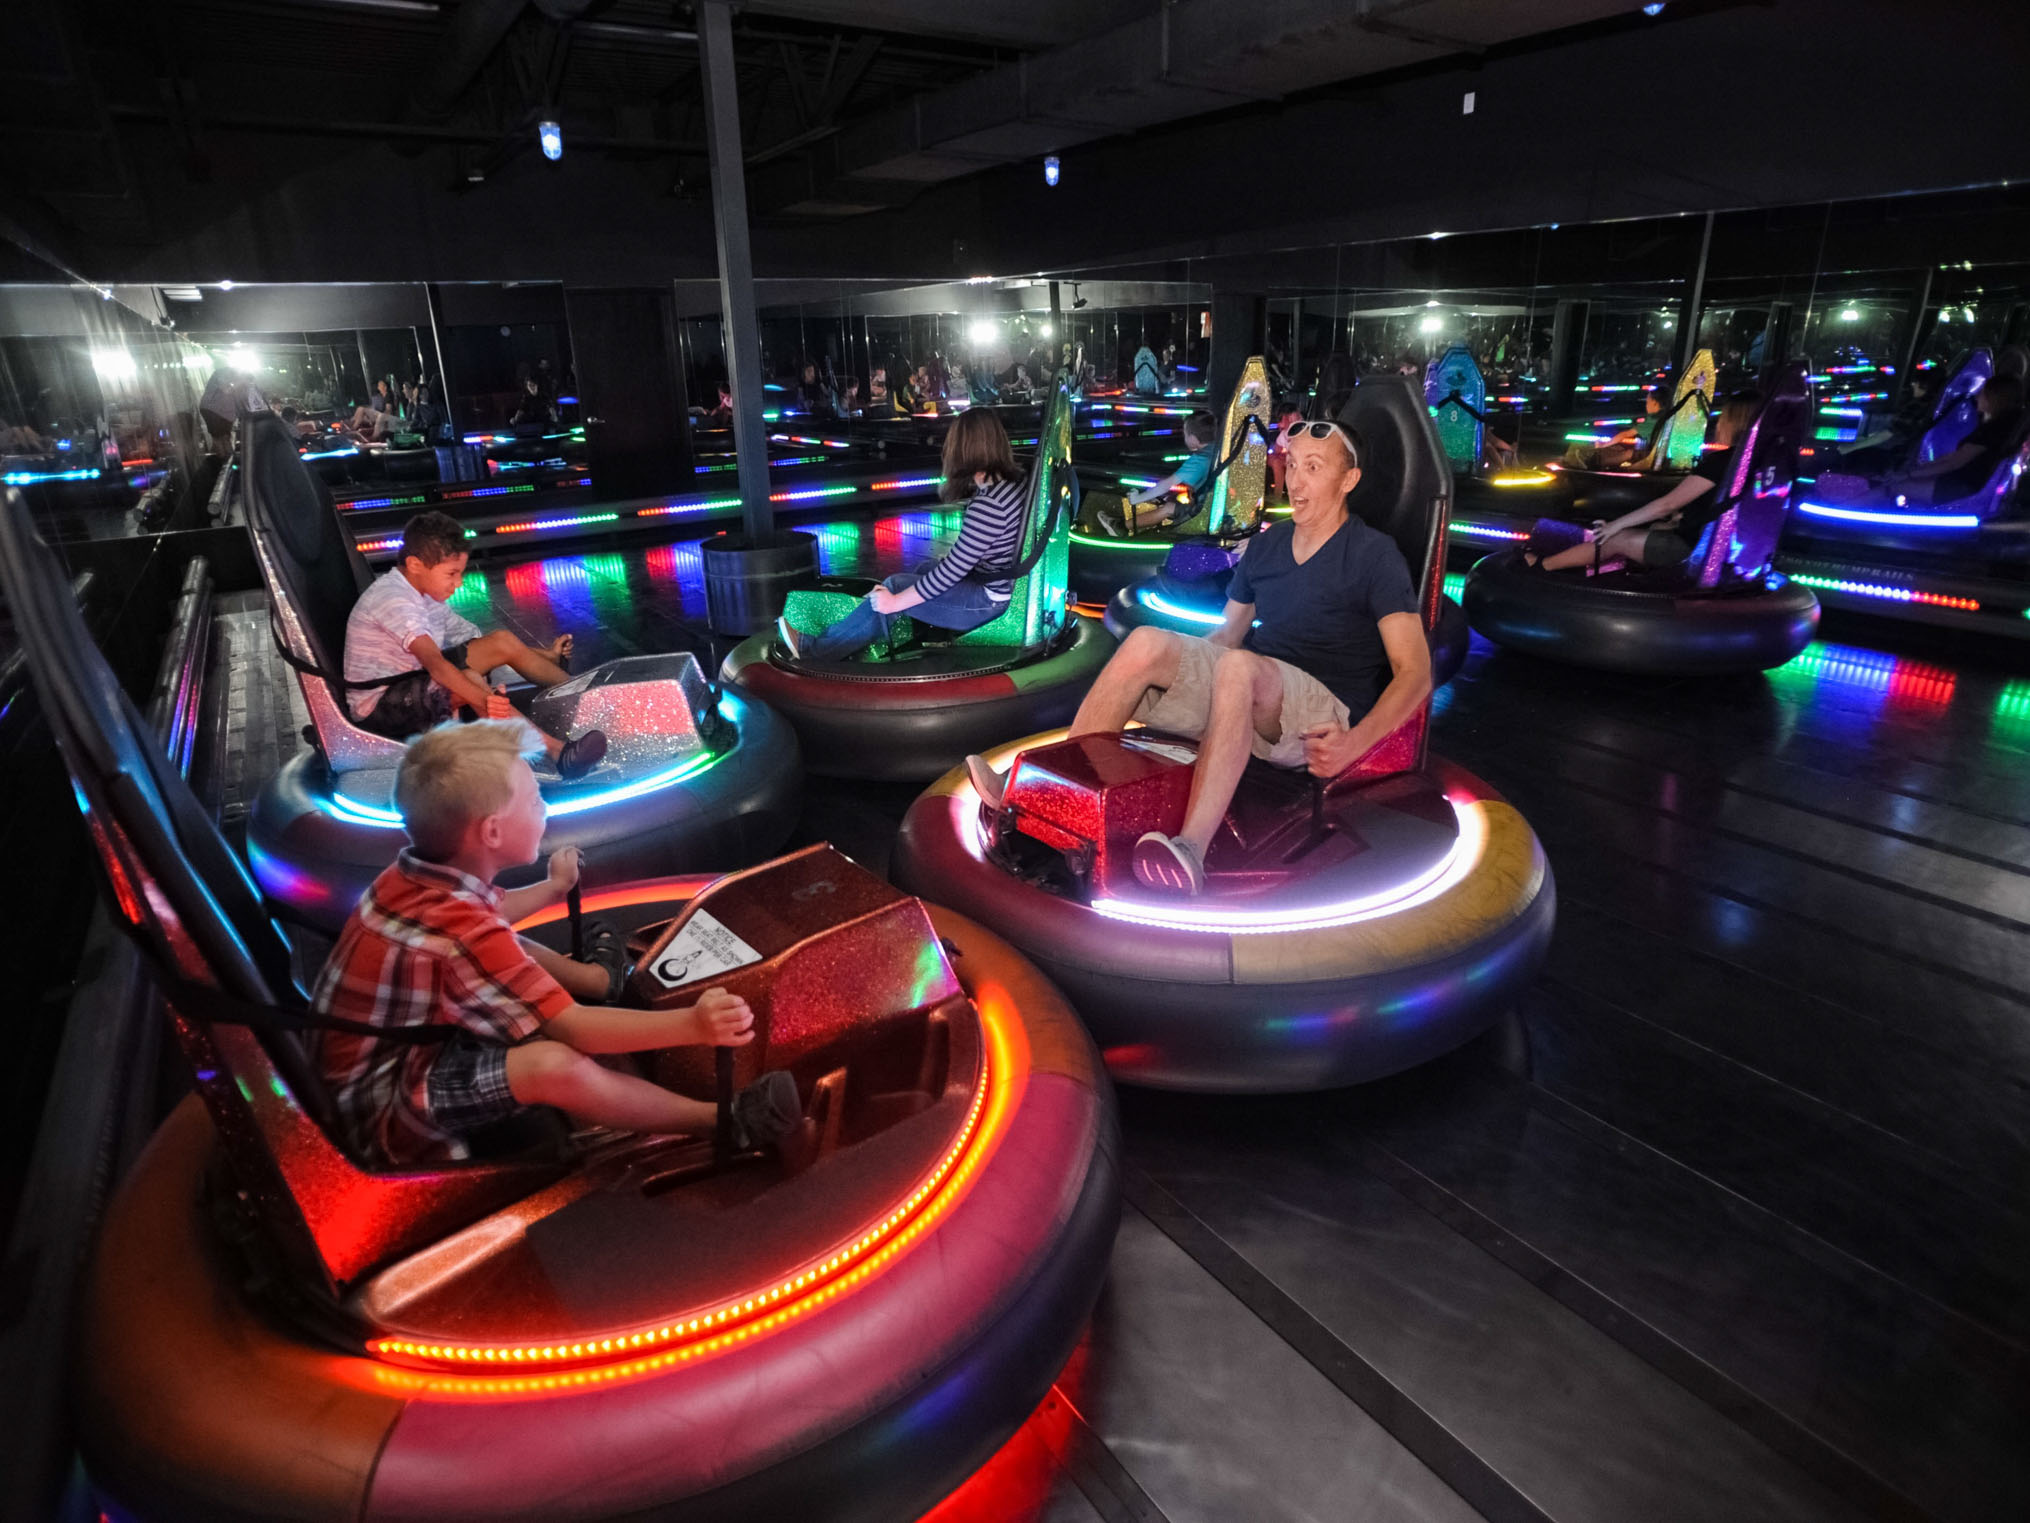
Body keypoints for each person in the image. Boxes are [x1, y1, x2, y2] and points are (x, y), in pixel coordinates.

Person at [967, 417, 1431, 896]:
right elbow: (1229, 632)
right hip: (1255, 690)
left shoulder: (1374, 554)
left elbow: (1415, 672)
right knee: (1148, 642)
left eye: (1313, 467)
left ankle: (1190, 849)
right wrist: (1176, 670)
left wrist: (1355, 746)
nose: (1294, 480)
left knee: (1238, 668)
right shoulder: (1270, 543)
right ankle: (1035, 791)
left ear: (1348, 480)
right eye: (1291, 465)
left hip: (1320, 713)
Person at [311, 720, 801, 1169]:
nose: (543, 807)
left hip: (382, 1065)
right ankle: (723, 1123)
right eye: (532, 800)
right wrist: (693, 1025)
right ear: (492, 831)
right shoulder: (461, 931)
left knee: (509, 948)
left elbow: (491, 919)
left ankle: (600, 980)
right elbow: (576, 1031)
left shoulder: (410, 878)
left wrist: (550, 889)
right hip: (384, 1113)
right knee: (552, 1065)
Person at [344, 511, 607, 777]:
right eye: (451, 573)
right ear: (415, 565)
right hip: (378, 704)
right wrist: (485, 698)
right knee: (466, 679)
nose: (458, 583)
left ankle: (595, 703)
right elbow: (436, 665)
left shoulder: (426, 596)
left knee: (500, 642)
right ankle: (557, 753)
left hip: (410, 679)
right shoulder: (394, 599)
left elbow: (474, 642)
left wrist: (544, 655)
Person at [778, 410, 1026, 663]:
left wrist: (894, 601)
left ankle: (815, 650)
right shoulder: (1006, 486)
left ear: (963, 449)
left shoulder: (988, 506)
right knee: (925, 568)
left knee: (896, 586)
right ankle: (897, 630)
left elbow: (951, 572)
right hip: (995, 585)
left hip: (987, 600)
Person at [1527, 391, 1761, 573]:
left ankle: (1543, 566)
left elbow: (1666, 505)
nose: (1718, 424)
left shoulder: (1723, 461)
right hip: (1730, 549)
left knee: (1616, 538)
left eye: (1724, 418)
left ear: (1736, 422)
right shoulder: (1756, 460)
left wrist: (1614, 526)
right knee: (1646, 527)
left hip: (1696, 551)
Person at [1886, 374, 2025, 503]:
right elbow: (1953, 458)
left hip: (1963, 486)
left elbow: (1953, 462)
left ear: (1995, 398)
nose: (1976, 397)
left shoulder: (1993, 430)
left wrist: (1908, 475)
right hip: (1966, 481)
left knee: (1892, 487)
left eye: (1982, 393)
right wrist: (1918, 470)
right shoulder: (2006, 425)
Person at [1093, 409, 1222, 536]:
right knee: (1171, 498)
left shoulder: (1199, 460)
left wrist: (1139, 498)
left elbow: (1168, 483)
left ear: (1193, 439)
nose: (1184, 436)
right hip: (1214, 504)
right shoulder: (1218, 449)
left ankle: (1120, 527)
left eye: (1185, 433)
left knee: (1168, 508)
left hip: (1205, 512)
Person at [1562, 379, 1670, 469]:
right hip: (1656, 453)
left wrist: (1604, 445)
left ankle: (1594, 462)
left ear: (1655, 403)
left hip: (1654, 456)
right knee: (1619, 448)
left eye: (1647, 402)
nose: (1646, 406)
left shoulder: (1654, 420)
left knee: (1628, 453)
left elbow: (1625, 434)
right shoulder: (1667, 417)